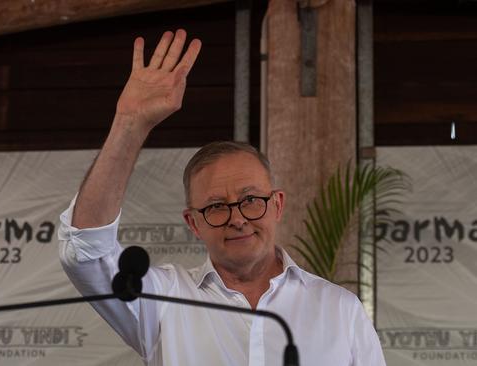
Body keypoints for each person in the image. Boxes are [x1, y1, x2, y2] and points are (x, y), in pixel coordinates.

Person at [58, 29, 385, 366]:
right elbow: (85, 250)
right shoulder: (165, 298)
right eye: (216, 207)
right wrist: (130, 124)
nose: (238, 218)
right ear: (193, 222)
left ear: (277, 205)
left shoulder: (340, 309)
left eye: (251, 200)